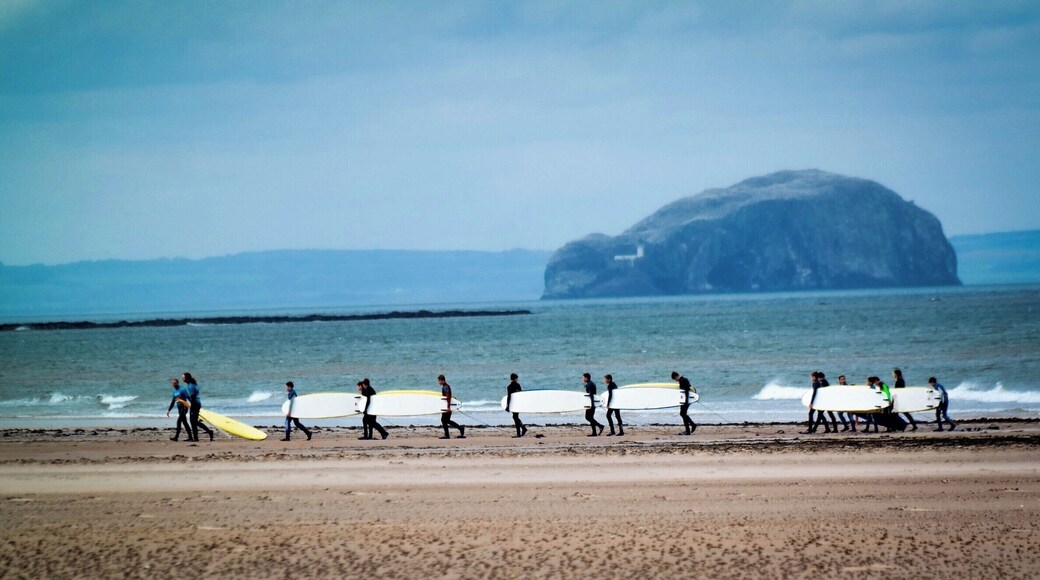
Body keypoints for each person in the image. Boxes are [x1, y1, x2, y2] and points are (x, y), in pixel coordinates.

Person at [182, 372, 214, 442]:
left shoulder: (191, 385)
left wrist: (191, 405)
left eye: (183, 377)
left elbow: (193, 397)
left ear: (187, 378)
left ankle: (209, 432)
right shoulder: (191, 384)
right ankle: (196, 438)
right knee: (193, 422)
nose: (182, 378)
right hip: (196, 404)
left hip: (195, 404)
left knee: (194, 421)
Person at [437, 374, 465, 439]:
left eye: (439, 381)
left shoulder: (445, 387)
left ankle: (447, 435)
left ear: (442, 380)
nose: (438, 382)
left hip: (448, 406)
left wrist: (448, 407)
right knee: (446, 420)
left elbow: (448, 397)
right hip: (447, 405)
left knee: (444, 420)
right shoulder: (445, 386)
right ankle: (460, 428)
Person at [505, 373, 527, 438]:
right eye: (517, 378)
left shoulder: (509, 387)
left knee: (515, 417)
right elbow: (521, 395)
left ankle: (521, 430)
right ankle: (521, 430)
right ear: (515, 379)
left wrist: (508, 406)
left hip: (513, 404)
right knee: (515, 417)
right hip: (517, 404)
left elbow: (509, 397)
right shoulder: (518, 385)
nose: (517, 380)